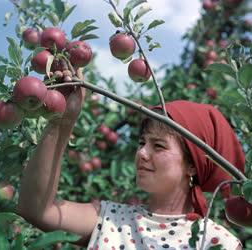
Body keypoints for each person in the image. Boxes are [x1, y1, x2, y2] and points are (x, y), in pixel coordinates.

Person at [16, 70, 244, 249]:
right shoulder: (110, 220)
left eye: (159, 146)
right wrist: (63, 120)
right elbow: (36, 209)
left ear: (193, 165)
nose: (142, 153)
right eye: (142, 143)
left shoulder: (216, 243)